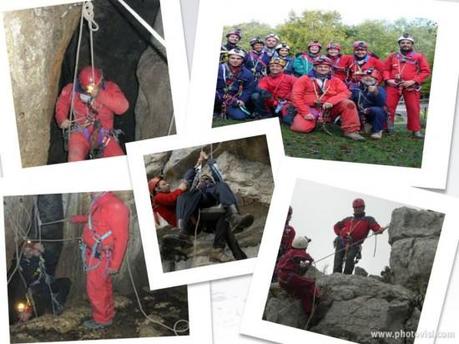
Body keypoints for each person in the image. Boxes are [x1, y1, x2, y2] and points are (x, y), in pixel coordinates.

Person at [169, 151, 254, 262]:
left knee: (222, 189)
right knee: (183, 195)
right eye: (202, 179)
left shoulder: (214, 187)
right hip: (195, 213)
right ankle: (183, 232)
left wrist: (209, 160)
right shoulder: (195, 190)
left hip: (212, 215)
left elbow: (217, 176)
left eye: (207, 179)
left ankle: (233, 222)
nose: (204, 180)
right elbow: (190, 177)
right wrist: (199, 162)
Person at [71, 192, 129, 329]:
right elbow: (96, 219)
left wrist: (115, 264)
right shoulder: (100, 201)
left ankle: (102, 320)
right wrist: (78, 219)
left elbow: (122, 239)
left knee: (96, 288)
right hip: (95, 253)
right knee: (104, 285)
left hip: (101, 256)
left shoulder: (115, 206)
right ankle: (108, 312)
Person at [55, 66, 129, 162]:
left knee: (122, 164)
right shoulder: (71, 89)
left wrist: (100, 95)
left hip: (104, 135)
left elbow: (123, 107)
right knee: (74, 160)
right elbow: (62, 103)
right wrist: (61, 119)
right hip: (80, 132)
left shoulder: (110, 88)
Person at [290, 55, 365, 140]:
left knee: (348, 104)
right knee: (300, 128)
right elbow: (296, 97)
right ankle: (313, 121)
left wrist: (331, 101)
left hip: (329, 108)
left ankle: (351, 131)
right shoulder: (304, 79)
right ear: (314, 67)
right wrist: (305, 113)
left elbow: (346, 92)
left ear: (330, 68)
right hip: (310, 108)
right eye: (320, 66)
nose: (323, 69)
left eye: (326, 67)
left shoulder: (335, 80)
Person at [7, 241, 71, 324]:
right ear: (22, 252)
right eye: (26, 249)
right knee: (39, 305)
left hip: (46, 286)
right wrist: (35, 257)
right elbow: (27, 277)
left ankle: (56, 307)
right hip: (34, 292)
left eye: (30, 248)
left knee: (65, 282)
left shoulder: (40, 259)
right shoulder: (20, 264)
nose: (29, 250)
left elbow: (52, 261)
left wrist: (44, 251)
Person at [383, 33, 431, 138]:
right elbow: (385, 69)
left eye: (408, 43)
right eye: (403, 43)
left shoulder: (418, 56)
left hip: (410, 86)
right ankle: (387, 128)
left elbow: (425, 71)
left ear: (412, 44)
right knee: (388, 106)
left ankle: (416, 130)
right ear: (399, 44)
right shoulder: (392, 56)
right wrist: (388, 80)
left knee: (413, 108)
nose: (405, 44)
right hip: (393, 85)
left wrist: (414, 81)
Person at [333, 198, 384, 274]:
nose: (357, 209)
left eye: (359, 207)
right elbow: (336, 226)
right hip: (342, 241)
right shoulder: (348, 219)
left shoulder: (368, 220)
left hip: (355, 244)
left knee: (350, 259)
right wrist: (342, 234)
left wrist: (379, 230)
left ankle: (346, 277)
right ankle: (336, 275)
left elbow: (376, 228)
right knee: (338, 259)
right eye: (355, 208)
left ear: (363, 208)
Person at [276, 236, 320, 321]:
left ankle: (309, 313)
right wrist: (310, 261)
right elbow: (307, 258)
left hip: (282, 280)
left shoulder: (289, 253)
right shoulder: (298, 252)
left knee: (303, 292)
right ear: (303, 246)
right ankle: (317, 299)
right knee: (311, 283)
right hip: (290, 277)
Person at [251, 57, 297, 123]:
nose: (274, 68)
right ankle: (265, 115)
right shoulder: (265, 79)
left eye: (278, 66)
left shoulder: (290, 78)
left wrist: (290, 98)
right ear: (269, 67)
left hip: (286, 103)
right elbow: (260, 88)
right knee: (255, 96)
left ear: (282, 68)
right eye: (272, 66)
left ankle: (281, 116)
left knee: (288, 121)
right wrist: (264, 92)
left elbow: (299, 88)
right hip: (272, 102)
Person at [214, 49, 256, 120]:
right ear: (228, 58)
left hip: (233, 99)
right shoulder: (219, 69)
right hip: (218, 96)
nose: (235, 60)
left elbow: (248, 90)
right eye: (232, 58)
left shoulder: (247, 73)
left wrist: (242, 100)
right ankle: (216, 110)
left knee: (240, 116)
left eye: (238, 58)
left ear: (242, 60)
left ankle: (225, 111)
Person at [351, 68, 388, 139]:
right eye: (365, 76)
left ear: (376, 80)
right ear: (361, 78)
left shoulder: (380, 89)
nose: (368, 78)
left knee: (378, 110)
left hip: (373, 112)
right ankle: (358, 127)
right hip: (360, 112)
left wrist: (375, 92)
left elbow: (381, 103)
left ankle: (377, 131)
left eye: (371, 77)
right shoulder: (356, 88)